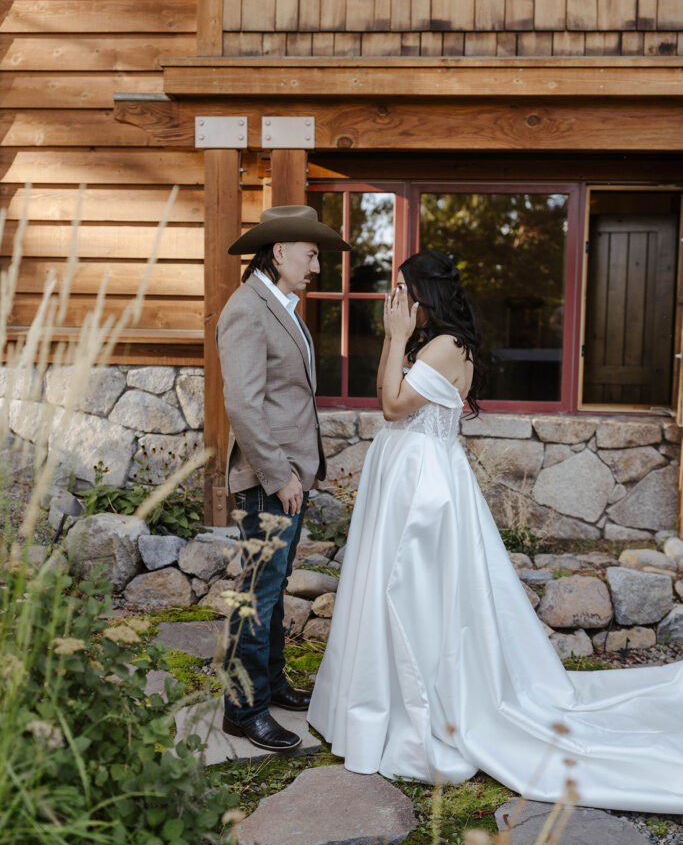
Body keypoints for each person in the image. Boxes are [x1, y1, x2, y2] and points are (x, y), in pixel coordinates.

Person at [308, 249, 683, 813]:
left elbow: (389, 405)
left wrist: (391, 337)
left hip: (422, 486)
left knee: (411, 589)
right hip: (408, 472)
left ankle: (425, 703)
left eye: (403, 289)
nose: (396, 299)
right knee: (390, 586)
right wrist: (398, 338)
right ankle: (378, 697)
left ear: (423, 293)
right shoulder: (433, 341)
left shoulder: (443, 346)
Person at [217, 204, 350, 752]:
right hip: (269, 480)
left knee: (269, 591)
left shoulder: (282, 306)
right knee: (257, 594)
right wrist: (279, 476)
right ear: (279, 252)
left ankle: (268, 688)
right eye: (311, 254)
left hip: (290, 477)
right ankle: (243, 711)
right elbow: (244, 406)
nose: (316, 265)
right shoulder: (247, 309)